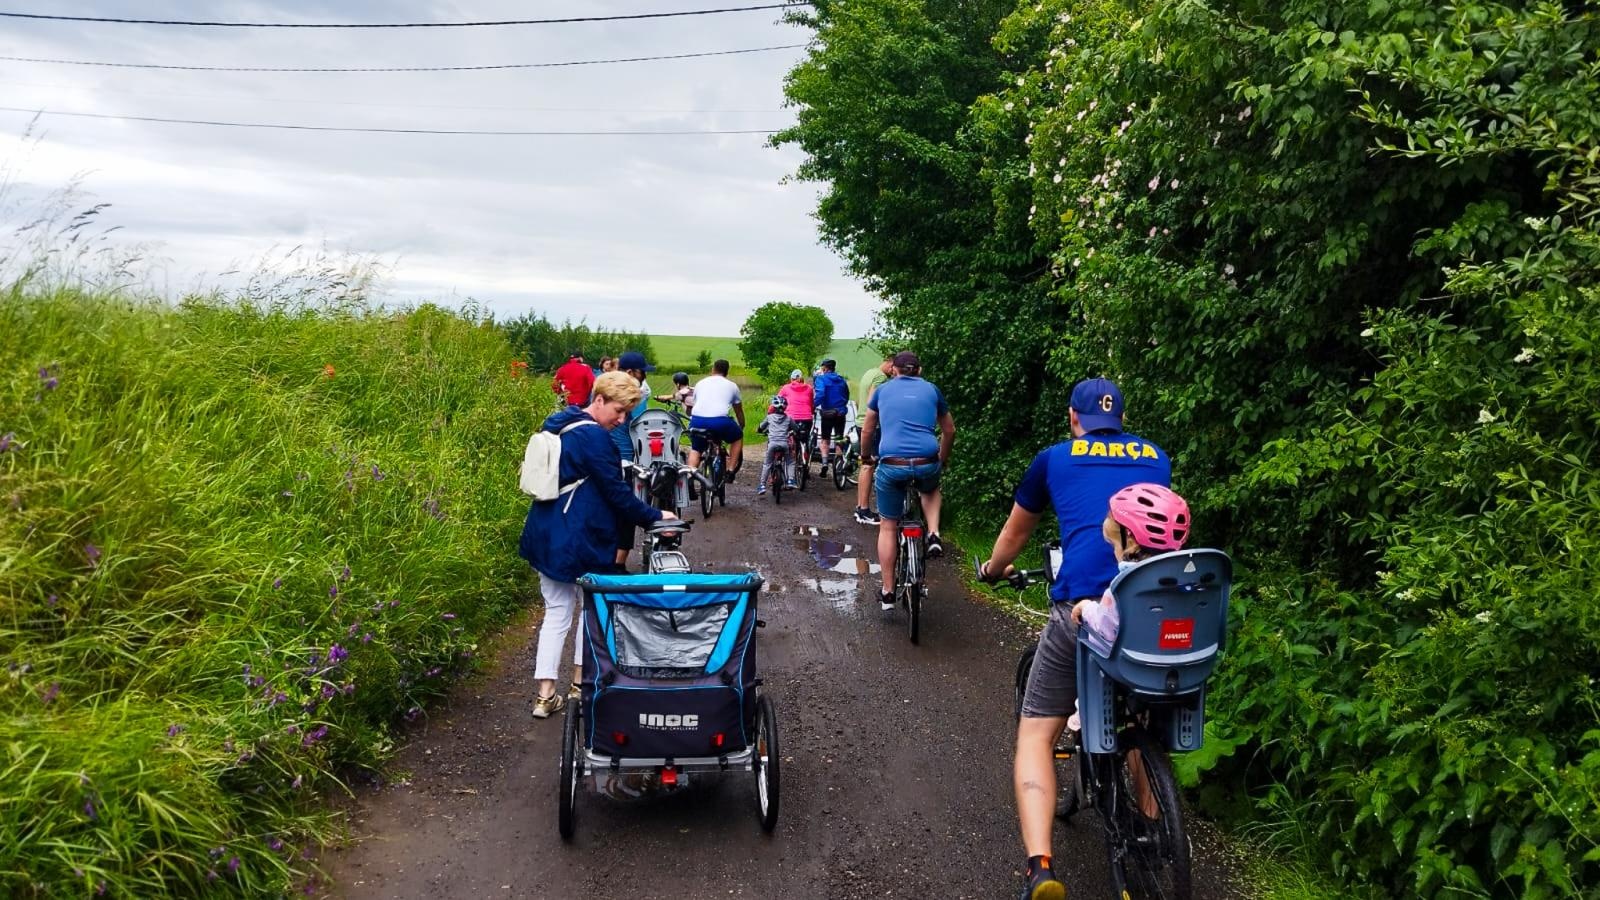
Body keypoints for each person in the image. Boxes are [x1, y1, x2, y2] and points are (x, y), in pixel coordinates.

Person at [973, 377, 1171, 900]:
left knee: (1036, 735)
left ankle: (1041, 869)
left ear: (1072, 417)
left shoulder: (1054, 458)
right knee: (1142, 713)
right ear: (1121, 419)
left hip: (1084, 608)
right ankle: (1150, 829)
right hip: (1147, 607)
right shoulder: (1156, 456)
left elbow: (1017, 533)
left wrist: (994, 569)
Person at [519, 371, 677, 719]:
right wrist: (656, 517)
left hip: (547, 529)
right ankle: (579, 684)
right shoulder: (596, 439)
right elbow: (617, 495)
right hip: (579, 535)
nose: (621, 420)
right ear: (600, 400)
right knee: (589, 609)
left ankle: (545, 697)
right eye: (618, 411)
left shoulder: (561, 423)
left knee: (556, 613)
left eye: (626, 415)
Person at [861, 351, 955, 611]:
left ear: (894, 370)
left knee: (888, 527)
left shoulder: (881, 392)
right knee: (931, 488)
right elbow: (949, 430)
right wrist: (942, 459)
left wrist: (865, 456)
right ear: (919, 370)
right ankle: (934, 534)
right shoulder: (932, 390)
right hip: (926, 461)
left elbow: (868, 428)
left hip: (892, 465)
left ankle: (889, 591)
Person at [609, 351, 655, 569]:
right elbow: (642, 427)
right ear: (629, 372)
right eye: (642, 372)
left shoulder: (605, 390)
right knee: (626, 513)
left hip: (602, 459)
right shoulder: (632, 396)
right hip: (624, 461)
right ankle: (618, 565)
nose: (644, 377)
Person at [853, 353, 896, 525]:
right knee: (869, 465)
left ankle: (861, 507)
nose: (894, 372)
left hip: (860, 421)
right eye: (894, 368)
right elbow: (873, 401)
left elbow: (861, 400)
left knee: (867, 465)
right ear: (890, 363)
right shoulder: (880, 377)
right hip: (872, 425)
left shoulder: (869, 372)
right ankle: (864, 510)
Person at [687, 359, 745, 479]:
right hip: (720, 421)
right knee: (737, 438)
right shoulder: (732, 386)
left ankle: (689, 477)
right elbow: (738, 410)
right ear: (726, 372)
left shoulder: (700, 383)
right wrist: (741, 425)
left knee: (696, 449)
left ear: (713, 369)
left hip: (697, 420)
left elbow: (696, 403)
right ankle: (730, 470)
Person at [812, 359, 850, 475]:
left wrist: (813, 405)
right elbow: (846, 395)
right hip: (840, 413)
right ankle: (839, 463)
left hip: (827, 413)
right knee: (839, 438)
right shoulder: (841, 380)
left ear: (825, 368)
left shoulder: (821, 379)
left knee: (825, 439)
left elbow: (821, 394)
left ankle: (824, 463)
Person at [755, 395, 797, 494]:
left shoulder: (769, 417)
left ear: (774, 407)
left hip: (772, 444)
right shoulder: (788, 419)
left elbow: (761, 427)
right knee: (790, 461)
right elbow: (796, 429)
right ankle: (791, 480)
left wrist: (759, 430)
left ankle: (762, 485)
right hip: (784, 444)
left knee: (767, 464)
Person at [777, 368, 815, 459]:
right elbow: (811, 404)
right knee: (805, 438)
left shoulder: (785, 388)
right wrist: (812, 411)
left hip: (790, 418)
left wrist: (773, 412)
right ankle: (805, 454)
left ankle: (784, 454)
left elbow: (777, 401)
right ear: (802, 379)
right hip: (806, 418)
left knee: (785, 435)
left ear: (791, 379)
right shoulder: (809, 389)